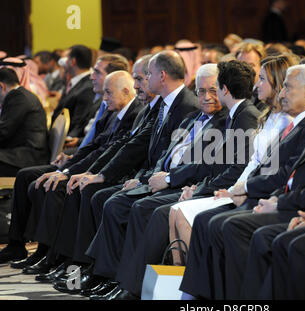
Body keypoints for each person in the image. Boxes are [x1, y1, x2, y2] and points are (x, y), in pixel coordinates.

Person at [51, 50, 199, 296]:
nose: (140, 82)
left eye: (145, 76)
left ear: (161, 76)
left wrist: (136, 178)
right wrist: (95, 173)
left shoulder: (186, 106)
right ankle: (89, 268)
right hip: (149, 174)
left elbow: (178, 157)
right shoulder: (160, 105)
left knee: (112, 202)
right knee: (99, 196)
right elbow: (132, 145)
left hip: (169, 181)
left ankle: (111, 276)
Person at [179, 63, 305, 300]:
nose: (281, 93)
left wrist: (255, 193)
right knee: (206, 221)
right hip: (261, 191)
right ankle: (198, 298)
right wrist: (239, 189)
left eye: (287, 88)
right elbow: (263, 166)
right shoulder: (290, 120)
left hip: (282, 199)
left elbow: (289, 174)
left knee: (225, 225)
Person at [0, 54, 130, 265]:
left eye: (97, 72)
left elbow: (107, 150)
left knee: (46, 185)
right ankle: (25, 247)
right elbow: (94, 145)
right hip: (79, 161)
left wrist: (68, 171)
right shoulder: (109, 106)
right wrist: (69, 163)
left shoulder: (123, 109)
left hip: (93, 168)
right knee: (30, 179)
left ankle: (54, 255)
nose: (91, 77)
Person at [168, 55, 295, 265]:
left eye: (262, 79)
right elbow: (253, 162)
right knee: (177, 210)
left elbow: (259, 168)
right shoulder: (265, 115)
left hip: (258, 194)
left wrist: (239, 189)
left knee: (189, 214)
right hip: (239, 187)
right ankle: (180, 287)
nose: (257, 85)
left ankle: (195, 288)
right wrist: (237, 187)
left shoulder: (254, 116)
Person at [0, 68, 48, 176]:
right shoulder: (20, 95)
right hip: (24, 154)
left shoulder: (17, 97)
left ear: (1, 86)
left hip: (28, 158)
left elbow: (3, 132)